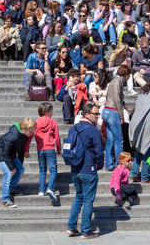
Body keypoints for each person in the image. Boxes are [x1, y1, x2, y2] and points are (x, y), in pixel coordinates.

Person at [66, 102, 104, 239]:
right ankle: (86, 230)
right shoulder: (93, 130)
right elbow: (99, 152)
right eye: (96, 114)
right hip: (88, 169)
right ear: (87, 115)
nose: (98, 116)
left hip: (75, 169)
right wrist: (98, 165)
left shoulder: (73, 129)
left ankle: (71, 227)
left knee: (78, 197)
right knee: (88, 200)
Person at [0, 117, 37, 208]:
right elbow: (5, 153)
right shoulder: (12, 136)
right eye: (30, 131)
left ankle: (10, 189)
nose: (32, 133)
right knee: (8, 173)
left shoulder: (24, 136)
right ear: (23, 129)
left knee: (20, 170)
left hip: (11, 155)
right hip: (1, 155)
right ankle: (5, 200)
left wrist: (19, 164)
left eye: (33, 131)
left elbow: (21, 151)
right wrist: (12, 167)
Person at [27, 101, 61, 202]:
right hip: (50, 148)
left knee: (42, 169)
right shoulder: (53, 122)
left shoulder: (36, 122)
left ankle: (41, 190)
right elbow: (57, 137)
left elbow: (29, 137)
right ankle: (50, 188)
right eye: (51, 111)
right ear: (47, 112)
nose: (52, 113)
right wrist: (59, 148)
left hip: (40, 149)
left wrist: (26, 149)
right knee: (53, 170)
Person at [102, 65, 130, 171]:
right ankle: (120, 164)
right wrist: (121, 115)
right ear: (125, 74)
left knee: (110, 140)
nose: (128, 78)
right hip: (113, 112)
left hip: (106, 110)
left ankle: (109, 164)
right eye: (128, 75)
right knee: (119, 140)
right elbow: (117, 100)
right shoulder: (118, 81)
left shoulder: (113, 81)